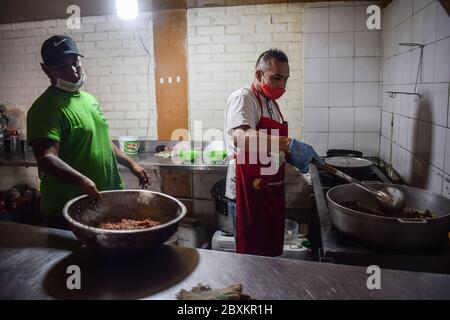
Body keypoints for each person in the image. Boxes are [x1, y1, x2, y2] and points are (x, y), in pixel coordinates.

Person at [27, 35, 149, 229]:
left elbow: (101, 141)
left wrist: (131, 164)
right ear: (46, 69)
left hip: (104, 202)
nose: (73, 71)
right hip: (68, 210)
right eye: (62, 67)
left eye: (75, 62)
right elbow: (46, 158)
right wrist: (82, 181)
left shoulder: (89, 99)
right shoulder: (44, 108)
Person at [224, 48, 324, 257]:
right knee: (250, 258)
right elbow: (241, 137)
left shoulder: (272, 104)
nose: (282, 85)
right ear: (259, 75)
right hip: (247, 192)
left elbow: (270, 145)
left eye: (285, 79)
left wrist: (291, 156)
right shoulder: (244, 98)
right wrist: (288, 144)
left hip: (270, 189)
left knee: (268, 255)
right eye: (276, 77)